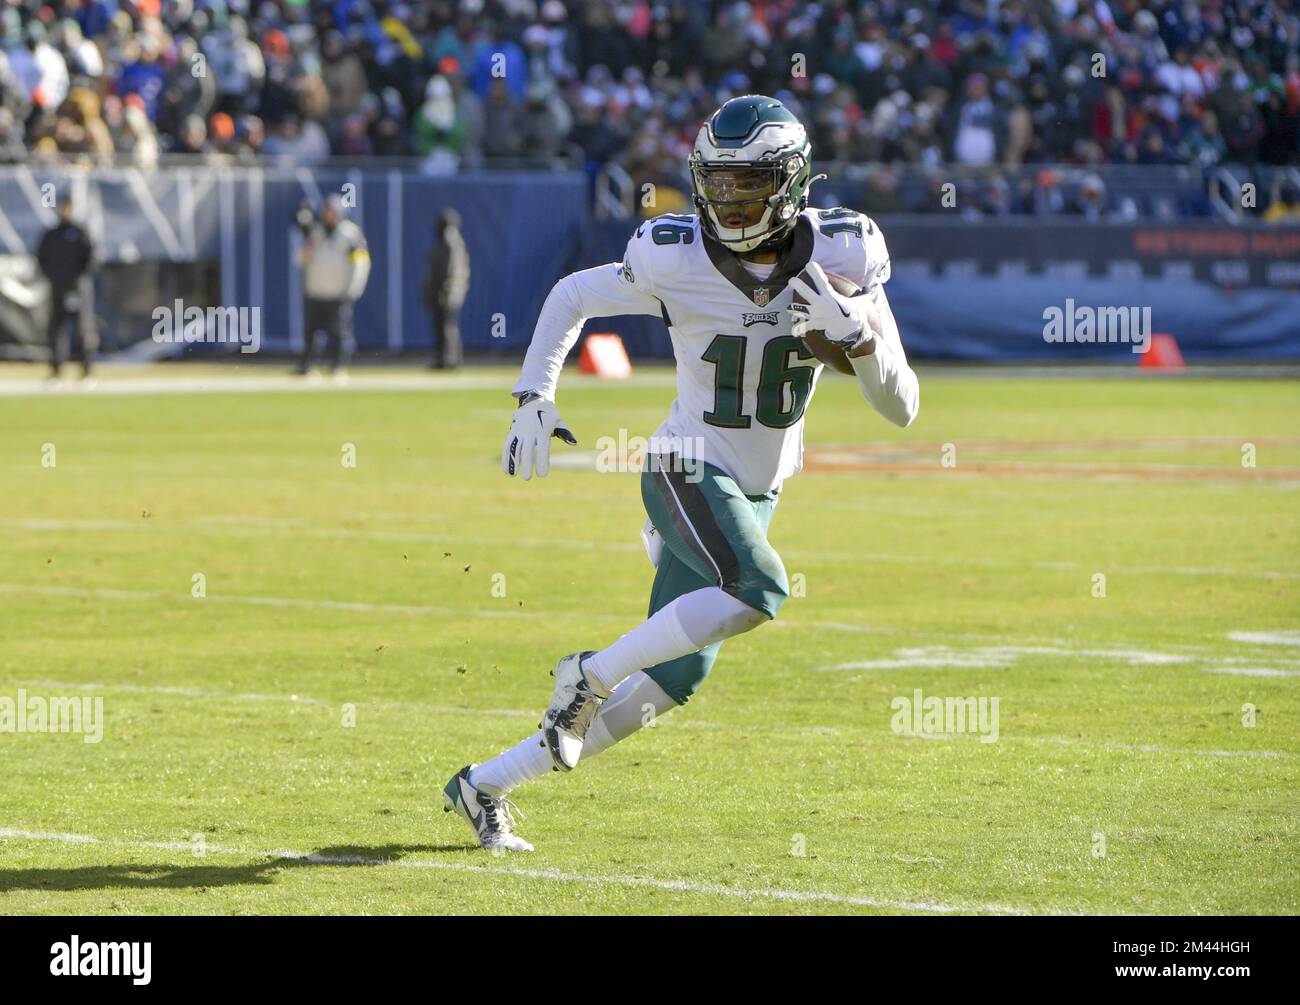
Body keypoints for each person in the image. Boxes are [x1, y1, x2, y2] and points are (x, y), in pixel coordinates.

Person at [444, 95, 920, 851]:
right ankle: (586, 674)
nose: (729, 202)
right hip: (682, 463)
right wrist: (535, 393)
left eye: (748, 184)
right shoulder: (676, 253)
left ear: (792, 185)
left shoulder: (847, 254)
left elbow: (903, 406)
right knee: (761, 589)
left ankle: (484, 783)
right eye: (718, 183)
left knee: (671, 685)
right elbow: (573, 295)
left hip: (756, 489)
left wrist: (859, 337)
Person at [297, 195, 369, 380]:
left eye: (332, 210)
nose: (328, 214)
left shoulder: (350, 234)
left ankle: (338, 367)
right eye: (326, 210)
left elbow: (361, 263)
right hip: (316, 289)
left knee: (340, 332)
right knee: (312, 331)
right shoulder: (316, 231)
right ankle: (309, 366)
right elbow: (301, 257)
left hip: (338, 291)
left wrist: (353, 289)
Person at [36, 197, 96, 382]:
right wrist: (53, 278)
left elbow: (90, 258)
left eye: (68, 208)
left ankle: (86, 370)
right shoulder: (51, 234)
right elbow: (41, 257)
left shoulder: (79, 232)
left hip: (78, 288)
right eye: (63, 208)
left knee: (82, 328)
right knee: (56, 328)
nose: (65, 211)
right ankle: (56, 370)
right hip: (57, 288)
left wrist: (78, 281)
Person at [422, 208, 470, 369]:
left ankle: (449, 359)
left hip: (448, 293)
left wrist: (444, 291)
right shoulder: (448, 241)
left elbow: (450, 270)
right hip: (446, 291)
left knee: (447, 325)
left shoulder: (451, 241)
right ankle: (446, 358)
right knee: (444, 326)